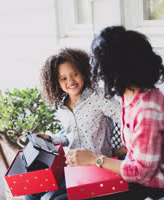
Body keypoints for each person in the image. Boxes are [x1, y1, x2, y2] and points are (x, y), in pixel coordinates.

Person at [65, 26, 164, 200]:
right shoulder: (128, 95)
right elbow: (134, 150)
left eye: (100, 66)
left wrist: (95, 160)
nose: (98, 73)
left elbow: (141, 173)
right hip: (133, 177)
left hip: (155, 189)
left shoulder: (148, 109)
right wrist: (109, 155)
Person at [24, 48, 122, 200]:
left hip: (97, 169)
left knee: (52, 199)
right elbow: (70, 137)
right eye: (63, 78)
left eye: (74, 74)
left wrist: (123, 150)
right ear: (56, 81)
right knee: (31, 191)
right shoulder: (62, 106)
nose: (70, 82)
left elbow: (129, 121)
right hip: (71, 168)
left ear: (83, 72)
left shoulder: (99, 97)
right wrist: (51, 139)